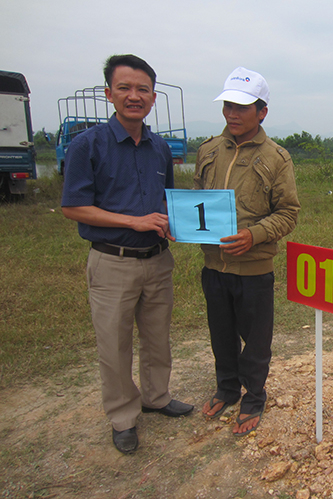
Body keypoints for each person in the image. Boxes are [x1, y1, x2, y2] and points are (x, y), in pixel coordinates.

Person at [61, 54, 194, 455]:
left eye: (142, 89)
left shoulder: (159, 149)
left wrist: (177, 222)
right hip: (112, 262)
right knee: (114, 344)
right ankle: (122, 416)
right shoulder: (88, 145)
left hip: (157, 261)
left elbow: (167, 201)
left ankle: (156, 396)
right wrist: (132, 221)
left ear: (153, 97)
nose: (133, 96)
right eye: (124, 88)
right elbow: (73, 207)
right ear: (109, 94)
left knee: (157, 337)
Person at [194, 67, 300, 436]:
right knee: (220, 332)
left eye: (241, 107)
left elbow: (289, 212)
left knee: (256, 340)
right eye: (227, 105)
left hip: (253, 269)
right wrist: (182, 226)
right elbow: (198, 203)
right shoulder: (208, 150)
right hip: (214, 265)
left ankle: (254, 395)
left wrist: (254, 235)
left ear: (262, 111)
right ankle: (227, 388)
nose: (232, 114)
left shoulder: (276, 158)